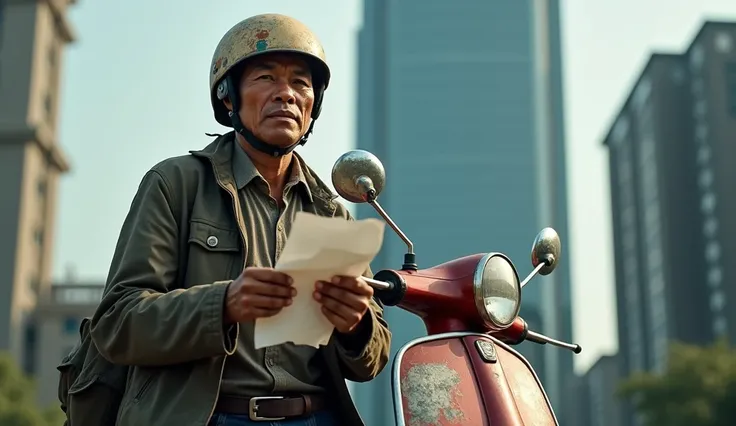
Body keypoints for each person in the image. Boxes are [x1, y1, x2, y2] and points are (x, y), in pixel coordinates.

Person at [89, 13, 391, 426]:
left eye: (301, 83)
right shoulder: (177, 184)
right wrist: (223, 304)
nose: (285, 94)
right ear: (228, 97)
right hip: (207, 417)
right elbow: (117, 324)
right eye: (265, 78)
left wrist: (355, 326)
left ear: (313, 106)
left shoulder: (332, 213)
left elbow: (371, 361)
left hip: (318, 416)